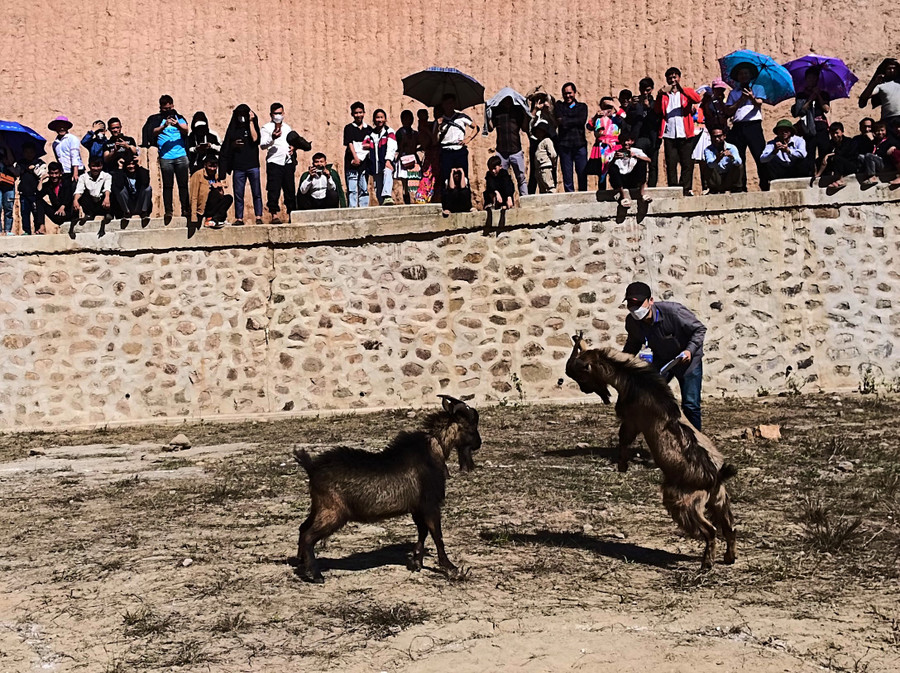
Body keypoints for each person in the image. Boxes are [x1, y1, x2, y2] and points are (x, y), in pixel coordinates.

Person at [622, 281, 706, 430]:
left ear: (650, 301)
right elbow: (633, 344)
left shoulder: (674, 312)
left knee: (690, 404)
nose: (635, 309)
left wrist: (689, 350)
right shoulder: (632, 322)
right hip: (663, 362)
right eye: (630, 304)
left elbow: (699, 330)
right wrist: (622, 363)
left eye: (639, 303)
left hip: (688, 362)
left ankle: (697, 443)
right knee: (649, 396)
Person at [654, 67, 702, 195]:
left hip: (685, 133)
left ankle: (686, 188)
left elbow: (697, 99)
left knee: (687, 163)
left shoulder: (686, 92)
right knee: (671, 163)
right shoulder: (664, 95)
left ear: (679, 78)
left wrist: (682, 89)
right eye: (670, 78)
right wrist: (659, 95)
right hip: (669, 133)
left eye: (675, 77)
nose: (672, 80)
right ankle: (673, 188)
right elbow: (658, 110)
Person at [725, 63, 768, 191]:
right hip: (738, 126)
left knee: (760, 155)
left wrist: (751, 97)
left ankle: (765, 184)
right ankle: (740, 187)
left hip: (753, 125)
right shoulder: (734, 93)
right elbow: (729, 111)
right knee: (738, 157)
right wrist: (741, 100)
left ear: (750, 75)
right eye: (741, 74)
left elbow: (759, 103)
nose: (743, 76)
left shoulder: (758, 88)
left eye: (746, 73)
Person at [149, 95, 190, 221]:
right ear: (161, 108)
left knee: (183, 185)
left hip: (181, 156)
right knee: (168, 186)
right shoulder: (157, 119)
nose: (168, 110)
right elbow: (153, 132)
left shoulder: (179, 117)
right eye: (165, 108)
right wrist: (164, 125)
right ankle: (168, 211)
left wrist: (176, 124)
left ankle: (186, 209)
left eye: (169, 107)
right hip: (166, 157)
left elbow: (186, 130)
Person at [220, 104, 262, 226]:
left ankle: (258, 216)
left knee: (256, 193)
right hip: (238, 167)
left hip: (253, 165)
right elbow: (226, 147)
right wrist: (234, 145)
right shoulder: (234, 129)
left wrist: (251, 121)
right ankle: (239, 218)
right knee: (238, 194)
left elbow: (255, 139)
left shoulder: (252, 125)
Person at [485, 94, 529, 196]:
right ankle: (504, 201)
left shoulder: (518, 111)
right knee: (501, 178)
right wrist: (488, 113)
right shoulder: (497, 112)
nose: (507, 102)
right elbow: (491, 128)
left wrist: (526, 113)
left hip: (516, 150)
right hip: (501, 151)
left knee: (521, 178)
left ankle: (525, 200)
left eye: (509, 100)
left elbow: (524, 128)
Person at [260, 102, 296, 222]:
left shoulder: (287, 128)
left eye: (280, 113)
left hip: (287, 161)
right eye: (275, 113)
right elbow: (263, 145)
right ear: (271, 114)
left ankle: (291, 214)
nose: (278, 116)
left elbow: (291, 142)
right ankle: (274, 215)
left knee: (289, 189)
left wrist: (293, 148)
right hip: (274, 162)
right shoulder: (266, 128)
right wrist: (272, 138)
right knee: (273, 189)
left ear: (284, 113)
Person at [792, 67, 831, 175]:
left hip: (821, 127)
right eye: (809, 78)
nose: (811, 80)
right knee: (810, 152)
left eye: (814, 78)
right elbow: (800, 110)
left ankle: (825, 173)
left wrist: (818, 95)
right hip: (808, 127)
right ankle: (810, 173)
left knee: (824, 150)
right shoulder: (801, 95)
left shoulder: (824, 94)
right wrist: (810, 99)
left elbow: (826, 109)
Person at [554, 82, 589, 192]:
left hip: (580, 145)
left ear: (575, 93)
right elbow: (560, 122)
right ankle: (569, 197)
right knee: (567, 176)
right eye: (565, 94)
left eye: (570, 93)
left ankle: (583, 197)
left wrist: (566, 120)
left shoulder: (582, 107)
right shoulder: (559, 106)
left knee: (582, 173)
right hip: (565, 146)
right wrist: (572, 120)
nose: (567, 96)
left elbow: (581, 121)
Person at [435, 93, 479, 179]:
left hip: (459, 150)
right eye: (447, 103)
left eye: (451, 103)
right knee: (446, 178)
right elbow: (435, 139)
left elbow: (476, 128)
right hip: (445, 151)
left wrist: (468, 139)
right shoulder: (440, 120)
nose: (449, 106)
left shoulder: (462, 117)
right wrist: (438, 126)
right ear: (443, 105)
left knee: (463, 178)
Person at [526, 85, 557, 193]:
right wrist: (535, 107)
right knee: (534, 171)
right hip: (535, 142)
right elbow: (528, 125)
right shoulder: (533, 111)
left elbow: (555, 124)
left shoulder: (549, 111)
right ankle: (531, 194)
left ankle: (551, 191)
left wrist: (548, 106)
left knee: (550, 169)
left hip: (548, 142)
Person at [586, 97, 622, 189]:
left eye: (609, 107)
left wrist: (613, 104)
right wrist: (595, 116)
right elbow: (589, 126)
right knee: (601, 172)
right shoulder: (598, 119)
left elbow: (624, 116)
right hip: (601, 147)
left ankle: (618, 190)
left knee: (615, 170)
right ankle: (602, 192)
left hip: (614, 147)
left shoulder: (616, 118)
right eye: (605, 107)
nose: (607, 109)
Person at [607, 134, 652, 207]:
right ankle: (623, 197)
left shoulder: (636, 151)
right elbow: (608, 167)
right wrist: (614, 159)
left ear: (632, 141)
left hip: (632, 178)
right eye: (623, 141)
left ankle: (643, 193)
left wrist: (635, 156)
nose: (625, 143)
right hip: (620, 179)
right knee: (613, 168)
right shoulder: (615, 152)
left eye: (627, 141)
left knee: (642, 163)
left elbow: (649, 160)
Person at [189, 153, 232, 229]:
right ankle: (210, 219)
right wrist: (194, 216)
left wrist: (219, 188)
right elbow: (194, 196)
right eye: (210, 166)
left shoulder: (216, 176)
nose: (212, 169)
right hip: (202, 207)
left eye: (214, 166)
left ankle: (216, 219)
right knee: (214, 192)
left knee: (228, 198)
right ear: (205, 165)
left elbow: (220, 196)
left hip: (213, 205)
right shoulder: (198, 175)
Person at [343, 101, 372, 208]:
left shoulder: (368, 129)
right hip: (352, 162)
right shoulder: (349, 128)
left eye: (360, 112)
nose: (358, 115)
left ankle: (364, 208)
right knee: (352, 187)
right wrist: (355, 158)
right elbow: (349, 143)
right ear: (352, 114)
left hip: (364, 162)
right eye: (356, 113)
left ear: (364, 113)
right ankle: (352, 208)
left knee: (363, 186)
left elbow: (370, 144)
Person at [14, 142, 46, 235]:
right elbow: (17, 172)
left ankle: (37, 229)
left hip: (35, 193)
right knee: (24, 213)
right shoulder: (20, 163)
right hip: (24, 193)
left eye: (31, 152)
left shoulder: (39, 163)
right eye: (26, 152)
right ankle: (26, 230)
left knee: (36, 213)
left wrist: (34, 169)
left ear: (35, 153)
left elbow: (43, 174)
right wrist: (24, 169)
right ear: (23, 153)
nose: (29, 154)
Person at [815, 122, 859, 188]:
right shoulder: (830, 144)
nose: (835, 135)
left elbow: (842, 154)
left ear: (842, 132)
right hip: (837, 167)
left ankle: (840, 180)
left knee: (836, 158)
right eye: (832, 133)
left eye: (836, 133)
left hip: (850, 165)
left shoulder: (849, 142)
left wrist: (828, 156)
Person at [367, 109, 398, 205]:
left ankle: (388, 196)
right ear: (374, 119)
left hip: (385, 163)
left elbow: (392, 147)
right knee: (378, 189)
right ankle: (383, 204)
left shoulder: (389, 132)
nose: (379, 120)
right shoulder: (371, 134)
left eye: (381, 117)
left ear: (385, 119)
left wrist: (388, 160)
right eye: (377, 117)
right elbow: (365, 148)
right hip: (375, 165)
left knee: (387, 172)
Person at [635, 77, 662, 187]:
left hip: (653, 137)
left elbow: (658, 120)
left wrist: (649, 108)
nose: (645, 93)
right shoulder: (636, 103)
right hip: (640, 137)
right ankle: (639, 185)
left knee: (653, 164)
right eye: (643, 90)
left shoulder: (656, 104)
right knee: (639, 162)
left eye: (648, 90)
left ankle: (652, 186)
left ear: (652, 90)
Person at [858, 58, 900, 124]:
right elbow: (864, 97)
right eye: (889, 69)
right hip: (888, 120)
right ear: (885, 70)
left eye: (894, 68)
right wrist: (875, 83)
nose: (892, 70)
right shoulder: (881, 85)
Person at [111, 154, 153, 220]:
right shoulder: (121, 174)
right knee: (119, 189)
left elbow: (145, 182)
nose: (131, 166)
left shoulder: (141, 172)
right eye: (128, 164)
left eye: (133, 164)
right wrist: (120, 167)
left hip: (139, 203)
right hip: (128, 204)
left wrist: (140, 165)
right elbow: (119, 185)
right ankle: (126, 213)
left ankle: (144, 212)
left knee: (148, 188)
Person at [702, 127, 744, 193]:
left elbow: (739, 162)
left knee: (739, 165)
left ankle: (736, 187)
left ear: (724, 136)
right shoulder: (708, 150)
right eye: (714, 137)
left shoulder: (732, 147)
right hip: (717, 178)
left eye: (719, 136)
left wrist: (732, 157)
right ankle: (714, 189)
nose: (716, 139)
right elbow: (710, 164)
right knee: (707, 167)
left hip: (729, 178)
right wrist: (717, 159)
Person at [73, 156, 112, 222]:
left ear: (102, 166)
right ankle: (89, 214)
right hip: (91, 203)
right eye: (93, 166)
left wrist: (107, 197)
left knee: (111, 192)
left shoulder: (107, 176)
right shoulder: (83, 177)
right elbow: (79, 190)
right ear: (89, 166)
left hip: (103, 203)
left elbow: (107, 188)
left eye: (98, 166)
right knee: (80, 194)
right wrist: (75, 200)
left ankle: (108, 213)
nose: (96, 169)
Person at [38, 162, 75, 228]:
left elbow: (68, 195)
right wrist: (41, 180)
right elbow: (38, 195)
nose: (54, 176)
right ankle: (42, 226)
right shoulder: (48, 185)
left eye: (56, 173)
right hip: (56, 213)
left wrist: (63, 206)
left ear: (60, 173)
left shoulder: (66, 182)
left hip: (68, 213)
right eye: (52, 173)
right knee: (39, 201)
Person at [395, 110, 420, 204]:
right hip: (404, 159)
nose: (407, 121)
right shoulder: (400, 133)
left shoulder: (415, 133)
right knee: (405, 183)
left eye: (409, 118)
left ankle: (414, 200)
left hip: (412, 159)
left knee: (413, 181)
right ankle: (407, 201)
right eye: (405, 119)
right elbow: (398, 146)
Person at [49, 116, 83, 184]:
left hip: (75, 171)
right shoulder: (55, 143)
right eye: (59, 126)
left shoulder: (72, 139)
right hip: (65, 172)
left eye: (63, 126)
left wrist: (75, 173)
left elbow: (75, 155)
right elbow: (58, 159)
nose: (61, 128)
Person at [415, 108, 440, 203]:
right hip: (429, 154)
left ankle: (430, 195)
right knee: (427, 174)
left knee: (431, 174)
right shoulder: (425, 125)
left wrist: (426, 130)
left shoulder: (431, 125)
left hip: (434, 154)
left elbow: (434, 140)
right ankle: (424, 196)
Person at [533, 119, 557, 193]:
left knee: (549, 186)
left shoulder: (547, 140)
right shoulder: (539, 143)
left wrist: (553, 163)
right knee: (542, 188)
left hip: (545, 167)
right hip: (539, 168)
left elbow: (553, 154)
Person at [0, 145, 16, 235]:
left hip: (8, 183)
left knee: (8, 207)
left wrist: (6, 147)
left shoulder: (10, 149)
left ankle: (7, 230)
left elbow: (11, 161)